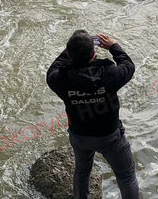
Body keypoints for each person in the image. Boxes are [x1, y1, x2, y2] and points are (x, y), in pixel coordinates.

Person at [46, 30, 139, 199]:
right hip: (110, 137)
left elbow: (54, 67)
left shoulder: (60, 79)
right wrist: (113, 46)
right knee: (126, 175)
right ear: (94, 54)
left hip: (80, 136)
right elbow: (128, 66)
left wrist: (72, 48)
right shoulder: (109, 74)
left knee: (82, 172)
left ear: (68, 54)